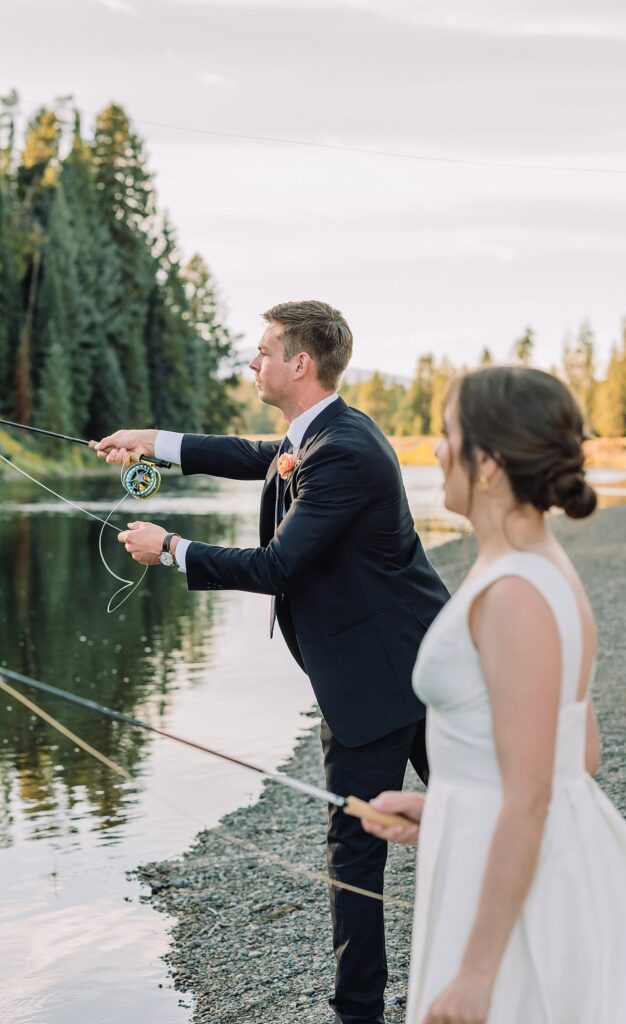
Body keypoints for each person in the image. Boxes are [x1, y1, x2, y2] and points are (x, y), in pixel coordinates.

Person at [95, 299, 450, 1024]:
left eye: (263, 351)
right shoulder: (320, 435)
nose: (252, 362)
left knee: (364, 848)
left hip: (388, 677)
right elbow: (250, 455)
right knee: (468, 823)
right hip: (409, 664)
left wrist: (171, 548)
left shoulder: (341, 449)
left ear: (301, 363)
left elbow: (278, 564)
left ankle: (361, 1013)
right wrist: (149, 442)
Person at [362, 365, 626, 1024]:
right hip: (490, 844)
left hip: (521, 893)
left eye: (449, 433)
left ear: (489, 463)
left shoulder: (515, 593)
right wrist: (445, 807)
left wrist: (477, 976)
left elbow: (535, 791)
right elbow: (579, 751)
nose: (436, 450)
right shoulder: (530, 568)